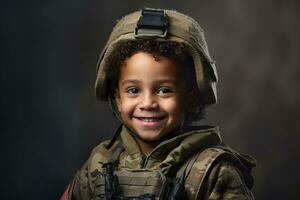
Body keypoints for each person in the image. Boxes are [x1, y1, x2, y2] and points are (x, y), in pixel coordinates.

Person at [61, 8, 256, 200]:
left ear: (191, 97)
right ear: (118, 98)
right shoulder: (99, 163)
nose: (147, 103)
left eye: (164, 90)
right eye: (133, 91)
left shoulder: (213, 171)